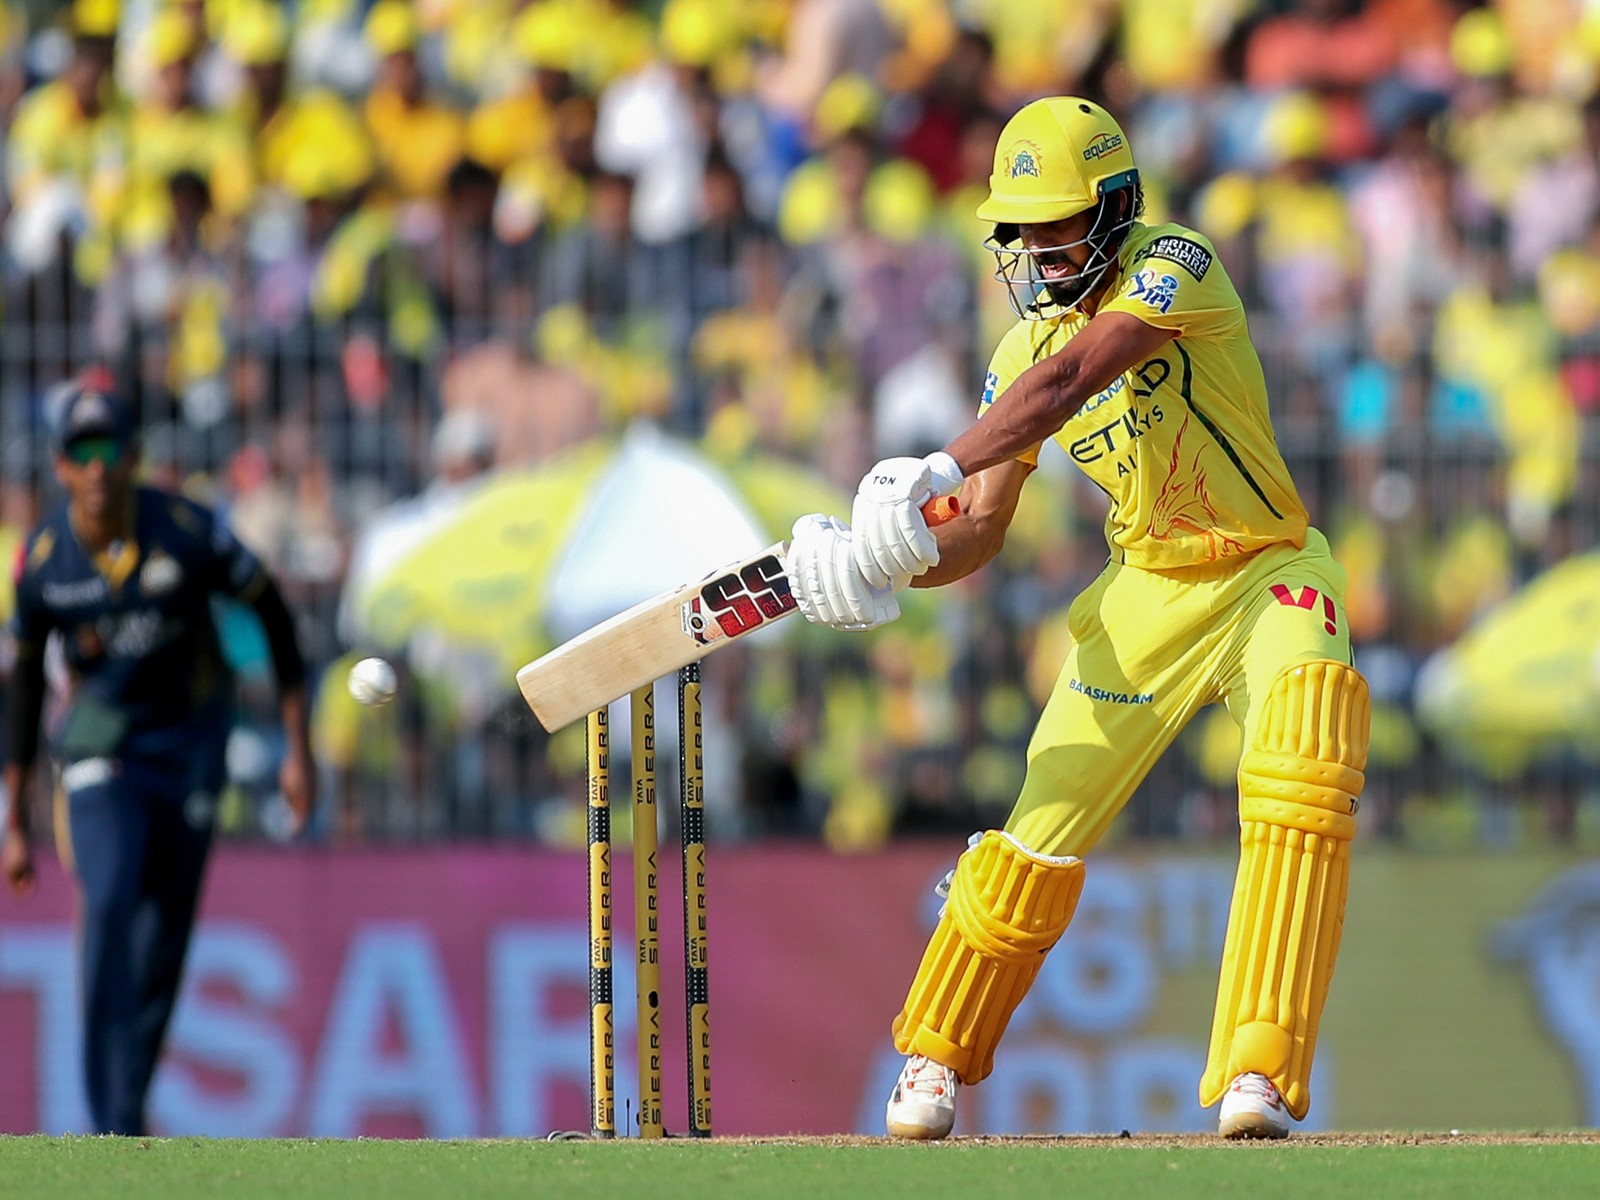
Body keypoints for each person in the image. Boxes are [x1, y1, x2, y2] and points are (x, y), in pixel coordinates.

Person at [785, 98, 1370, 1140]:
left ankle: (1260, 1075)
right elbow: (979, 530)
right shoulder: (1014, 354)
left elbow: (1068, 383)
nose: (1035, 249)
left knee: (1303, 765)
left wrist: (932, 461)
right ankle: (931, 1060)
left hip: (1265, 568)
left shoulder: (1175, 263)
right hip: (1143, 595)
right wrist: (890, 562)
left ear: (1113, 206)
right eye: (1019, 230)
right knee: (1038, 831)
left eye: (1055, 224)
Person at [1, 376, 315, 1135]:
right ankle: (108, 1119)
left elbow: (274, 616)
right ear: (63, 465)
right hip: (101, 749)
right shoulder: (44, 562)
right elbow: (19, 694)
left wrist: (299, 752)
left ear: (134, 456)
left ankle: (127, 1107)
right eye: (83, 450)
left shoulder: (187, 529)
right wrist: (15, 819)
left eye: (111, 447)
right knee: (109, 904)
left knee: (164, 931)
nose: (99, 464)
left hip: (191, 746)